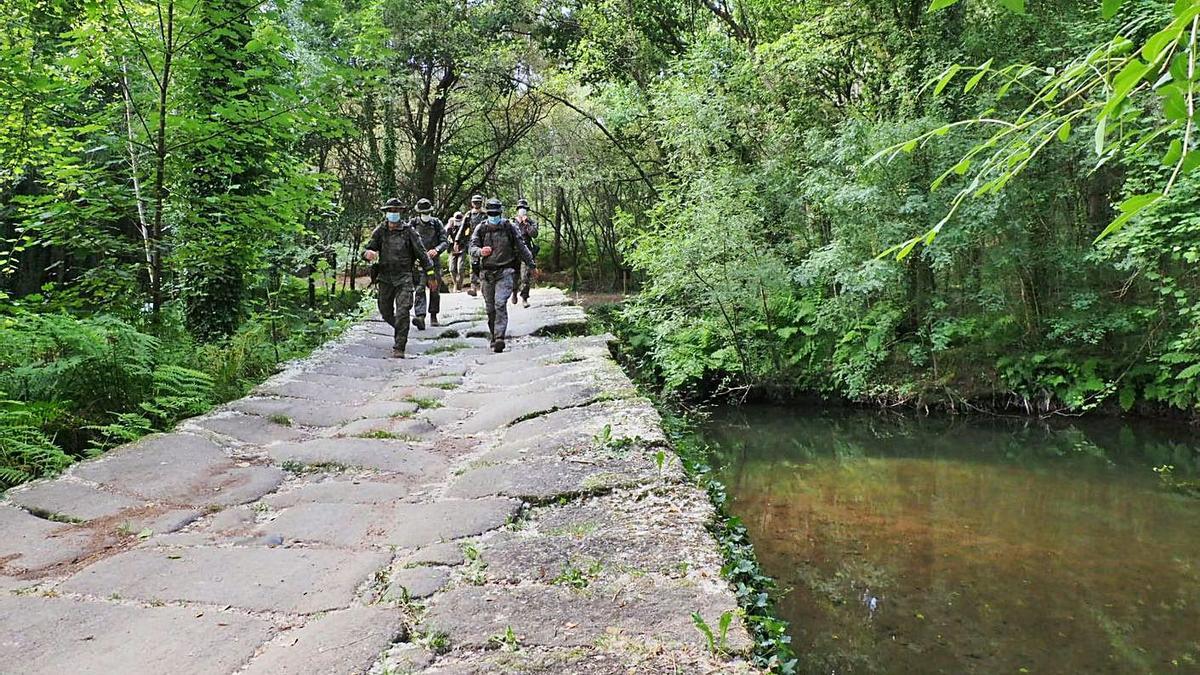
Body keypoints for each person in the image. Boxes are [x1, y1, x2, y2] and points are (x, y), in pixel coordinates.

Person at [363, 198, 435, 358]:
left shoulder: (409, 231)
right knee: (385, 311)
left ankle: (399, 346)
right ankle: (401, 328)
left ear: (401, 213)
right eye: (391, 211)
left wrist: (431, 275)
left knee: (403, 310)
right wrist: (367, 253)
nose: (393, 214)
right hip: (385, 277)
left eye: (396, 211)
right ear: (386, 213)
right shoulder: (380, 231)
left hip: (404, 277)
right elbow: (369, 248)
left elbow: (422, 255)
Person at [469, 198, 536, 353]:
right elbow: (471, 248)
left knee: (500, 303)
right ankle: (493, 335)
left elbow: (521, 246)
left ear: (501, 212)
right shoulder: (481, 228)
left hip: (505, 271)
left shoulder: (509, 227)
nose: (494, 216)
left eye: (496, 213)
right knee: (490, 308)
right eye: (491, 213)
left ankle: (500, 337)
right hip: (487, 273)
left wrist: (531, 265)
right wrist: (480, 251)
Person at [409, 197, 450, 329]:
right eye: (423, 212)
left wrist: (436, 250)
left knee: (434, 289)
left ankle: (433, 315)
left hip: (434, 263)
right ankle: (420, 316)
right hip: (419, 263)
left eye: (427, 212)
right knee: (420, 289)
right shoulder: (413, 224)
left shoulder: (437, 223)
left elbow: (445, 241)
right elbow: (407, 241)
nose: (425, 215)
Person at [510, 197, 540, 308]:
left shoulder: (531, 222)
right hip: (513, 253)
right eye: (521, 208)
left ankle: (524, 298)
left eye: (524, 208)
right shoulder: (511, 222)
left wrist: (526, 224)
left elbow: (534, 234)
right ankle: (514, 293)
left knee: (525, 277)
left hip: (526, 252)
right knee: (514, 276)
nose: (522, 210)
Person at [455, 194, 487, 296]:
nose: (476, 204)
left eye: (478, 202)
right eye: (475, 202)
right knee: (473, 265)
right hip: (473, 242)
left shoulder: (485, 214)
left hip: (484, 242)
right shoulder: (469, 215)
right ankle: (473, 287)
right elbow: (462, 228)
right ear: (472, 203)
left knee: (484, 265)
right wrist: (457, 241)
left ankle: (483, 287)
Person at [446, 211, 469, 292]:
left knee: (460, 268)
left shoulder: (465, 225)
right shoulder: (450, 224)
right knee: (452, 269)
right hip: (452, 249)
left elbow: (467, 237)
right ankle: (455, 284)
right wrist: (449, 227)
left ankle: (459, 285)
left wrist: (460, 244)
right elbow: (445, 236)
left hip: (462, 248)